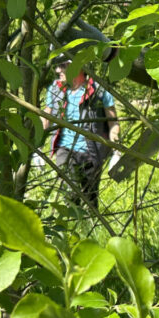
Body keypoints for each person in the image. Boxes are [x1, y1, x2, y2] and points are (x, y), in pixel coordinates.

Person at [42, 57, 120, 210]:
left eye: (63, 66)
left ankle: (90, 226)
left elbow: (113, 123)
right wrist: (36, 149)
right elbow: (46, 118)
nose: (58, 70)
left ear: (79, 67)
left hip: (92, 152)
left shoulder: (98, 90)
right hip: (65, 149)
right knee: (69, 191)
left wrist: (116, 152)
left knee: (90, 197)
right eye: (57, 66)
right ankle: (71, 221)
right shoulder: (55, 89)